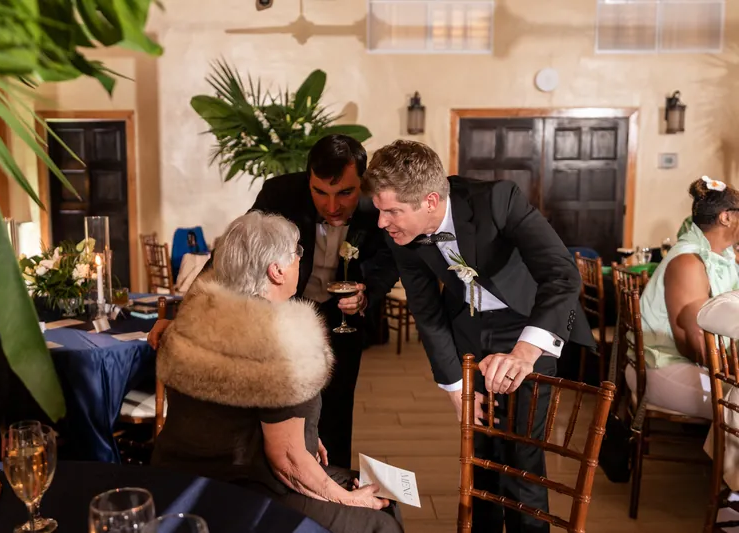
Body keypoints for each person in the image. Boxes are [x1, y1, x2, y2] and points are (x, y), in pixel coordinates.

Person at [361, 140, 593, 533]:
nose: (382, 222)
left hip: (528, 328)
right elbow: (426, 310)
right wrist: (455, 389)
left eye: (393, 211)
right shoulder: (399, 231)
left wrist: (523, 352)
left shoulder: (498, 200)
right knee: (479, 455)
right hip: (468, 331)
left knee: (522, 459)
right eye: (380, 210)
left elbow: (562, 274)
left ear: (430, 201)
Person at [149, 134, 399, 469]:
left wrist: (368, 292)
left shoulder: (376, 207)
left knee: (338, 411)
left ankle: (332, 485)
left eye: (345, 193)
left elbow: (389, 259)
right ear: (308, 178)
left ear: (362, 184)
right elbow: (229, 255)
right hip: (283, 315)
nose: (332, 206)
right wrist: (185, 318)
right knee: (283, 407)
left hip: (342, 321)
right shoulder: (280, 193)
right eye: (320, 192)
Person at [152, 212, 402, 533]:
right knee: (379, 521)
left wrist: (304, 428)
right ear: (277, 271)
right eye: (297, 252)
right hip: (237, 488)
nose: (301, 257)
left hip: (177, 470)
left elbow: (233, 414)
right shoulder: (280, 340)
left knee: (376, 495)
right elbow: (288, 462)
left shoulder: (195, 320)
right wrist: (349, 500)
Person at [628, 176, 739, 419]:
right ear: (726, 217)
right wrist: (734, 371)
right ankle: (722, 457)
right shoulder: (688, 262)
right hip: (664, 366)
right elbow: (692, 345)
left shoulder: (724, 255)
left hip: (697, 363)